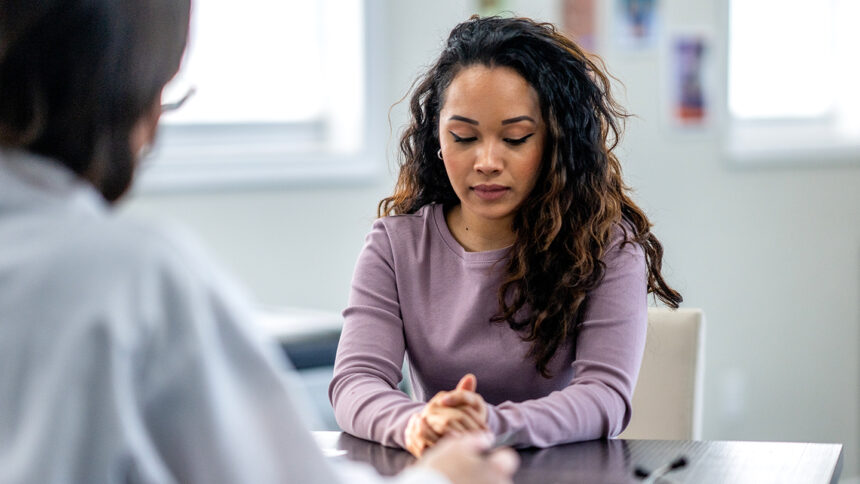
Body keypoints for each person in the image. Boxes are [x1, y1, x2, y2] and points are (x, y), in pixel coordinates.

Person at [0, 1, 518, 483]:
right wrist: (438, 473)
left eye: (515, 137)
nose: (488, 161)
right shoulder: (130, 273)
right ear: (126, 93)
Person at [329, 15, 683, 456]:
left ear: (555, 141)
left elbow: (604, 396)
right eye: (463, 136)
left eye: (515, 138)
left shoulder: (606, 247)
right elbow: (355, 382)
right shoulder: (394, 247)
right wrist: (418, 424)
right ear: (437, 138)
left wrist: (489, 426)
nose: (487, 161)